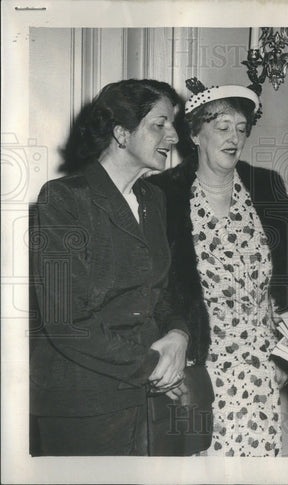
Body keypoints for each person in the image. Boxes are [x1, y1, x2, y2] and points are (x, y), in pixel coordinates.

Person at [30, 79, 190, 455]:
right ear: (121, 132)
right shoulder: (64, 200)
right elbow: (66, 322)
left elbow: (160, 291)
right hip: (84, 405)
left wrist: (179, 335)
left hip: (144, 400)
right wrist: (154, 365)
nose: (173, 136)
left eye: (173, 124)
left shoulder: (154, 197)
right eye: (159, 124)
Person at [148, 78, 288, 457]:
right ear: (195, 133)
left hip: (261, 369)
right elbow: (154, 289)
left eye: (241, 129)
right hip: (199, 369)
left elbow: (281, 287)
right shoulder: (162, 194)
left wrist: (287, 354)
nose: (234, 137)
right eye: (222, 127)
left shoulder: (268, 188)